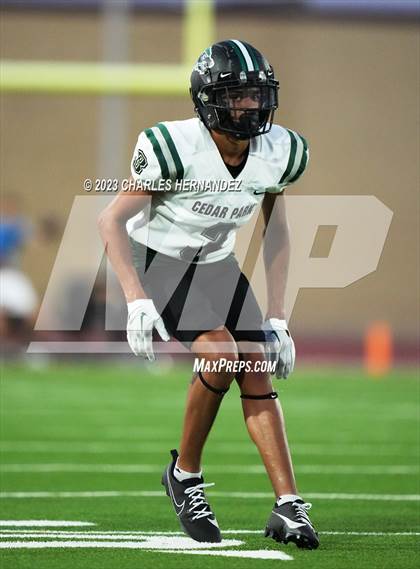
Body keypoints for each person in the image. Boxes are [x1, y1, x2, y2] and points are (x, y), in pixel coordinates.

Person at [98, 39, 319, 550]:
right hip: (161, 260)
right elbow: (110, 219)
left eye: (257, 94)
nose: (251, 105)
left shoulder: (280, 151)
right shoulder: (175, 146)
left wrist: (281, 317)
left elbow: (276, 230)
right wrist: (135, 297)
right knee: (220, 353)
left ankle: (288, 505)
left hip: (216, 262)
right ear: (208, 99)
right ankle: (185, 474)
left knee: (256, 359)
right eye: (238, 95)